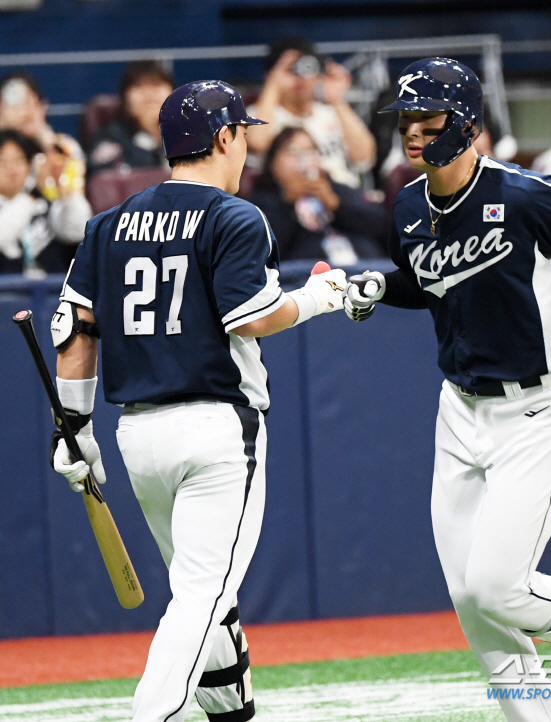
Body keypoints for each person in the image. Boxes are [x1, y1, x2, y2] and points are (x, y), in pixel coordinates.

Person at [343, 58, 551, 722]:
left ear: (469, 125)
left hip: (537, 406)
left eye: (427, 119)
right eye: (405, 120)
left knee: (496, 587)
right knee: (469, 598)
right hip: (459, 407)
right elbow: (428, 282)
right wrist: (378, 288)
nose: (412, 133)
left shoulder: (525, 194)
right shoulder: (406, 203)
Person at [48, 80, 346, 722]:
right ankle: (150, 714)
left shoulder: (107, 224)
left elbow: (74, 331)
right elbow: (253, 316)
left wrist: (72, 427)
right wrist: (325, 297)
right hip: (217, 429)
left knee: (208, 599)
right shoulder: (235, 215)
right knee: (202, 597)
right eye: (242, 134)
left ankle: (230, 711)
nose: (246, 148)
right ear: (223, 138)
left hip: (138, 437)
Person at [246, 37, 376, 188]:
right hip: (288, 199)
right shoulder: (259, 114)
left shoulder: (331, 113)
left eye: (308, 68)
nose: (301, 79)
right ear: (271, 75)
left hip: (342, 197)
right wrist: (273, 86)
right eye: (291, 70)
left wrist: (337, 101)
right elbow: (256, 144)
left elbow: (364, 156)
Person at [251, 127, 386, 263]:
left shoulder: (335, 190)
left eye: (310, 151)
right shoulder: (263, 201)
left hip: (363, 268)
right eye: (293, 151)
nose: (303, 159)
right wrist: (288, 202)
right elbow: (263, 249)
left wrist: (337, 206)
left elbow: (380, 225)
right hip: (301, 274)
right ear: (273, 161)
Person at [0, 129, 91, 275]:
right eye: (3, 162)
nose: (12, 169)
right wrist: (33, 193)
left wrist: (66, 194)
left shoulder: (44, 204)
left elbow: (78, 232)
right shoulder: (33, 197)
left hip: (52, 292)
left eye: (19, 160)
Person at [0, 72, 86, 201]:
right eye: (13, 102)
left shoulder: (65, 147)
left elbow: (71, 202)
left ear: (41, 106)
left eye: (27, 102)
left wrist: (46, 142)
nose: (22, 112)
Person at [88, 61, 173, 176]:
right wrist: (149, 130)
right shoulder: (111, 138)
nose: (149, 95)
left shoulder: (191, 134)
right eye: (139, 86)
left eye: (156, 85)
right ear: (125, 97)